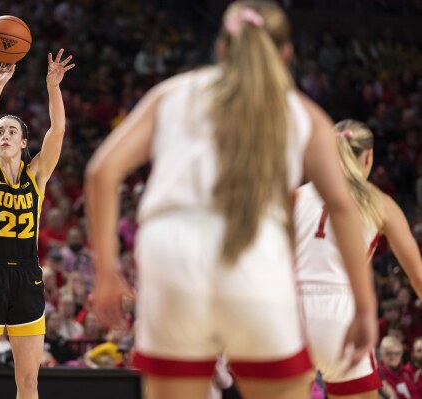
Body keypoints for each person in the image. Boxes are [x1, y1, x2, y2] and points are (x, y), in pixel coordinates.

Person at [85, 2, 377, 398]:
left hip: (169, 253)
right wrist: (363, 306)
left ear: (221, 47)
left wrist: (106, 272)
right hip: (254, 251)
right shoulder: (301, 111)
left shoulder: (173, 92)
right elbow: (342, 206)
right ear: (286, 53)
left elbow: (102, 172)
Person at [0, 49, 74, 399]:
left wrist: (53, 87)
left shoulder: (36, 175)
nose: (4, 135)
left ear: (24, 142)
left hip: (27, 275)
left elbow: (57, 130)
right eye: (0, 132)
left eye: (12, 131)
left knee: (28, 382)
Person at [295, 119, 422, 398]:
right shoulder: (379, 202)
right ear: (369, 156)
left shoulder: (294, 197)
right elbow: (418, 276)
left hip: (289, 313)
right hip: (340, 315)